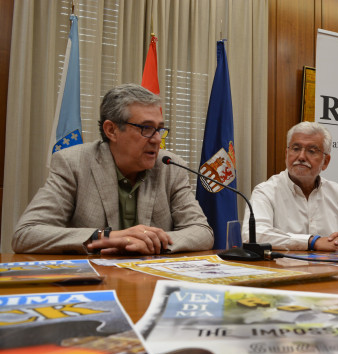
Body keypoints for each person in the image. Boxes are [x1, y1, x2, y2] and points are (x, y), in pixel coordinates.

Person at [12, 83, 214, 254]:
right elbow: (26, 234)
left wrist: (148, 242)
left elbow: (201, 232)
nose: (157, 139)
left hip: (151, 281)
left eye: (159, 128)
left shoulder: (170, 166)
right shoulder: (73, 163)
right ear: (111, 130)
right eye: (146, 128)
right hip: (95, 282)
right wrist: (106, 238)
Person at [242, 121, 338, 252]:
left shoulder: (336, 192)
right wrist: (312, 242)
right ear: (287, 154)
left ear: (326, 161)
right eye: (296, 148)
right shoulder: (266, 191)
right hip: (283, 273)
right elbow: (253, 235)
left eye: (311, 151)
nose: (301, 157)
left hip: (331, 274)